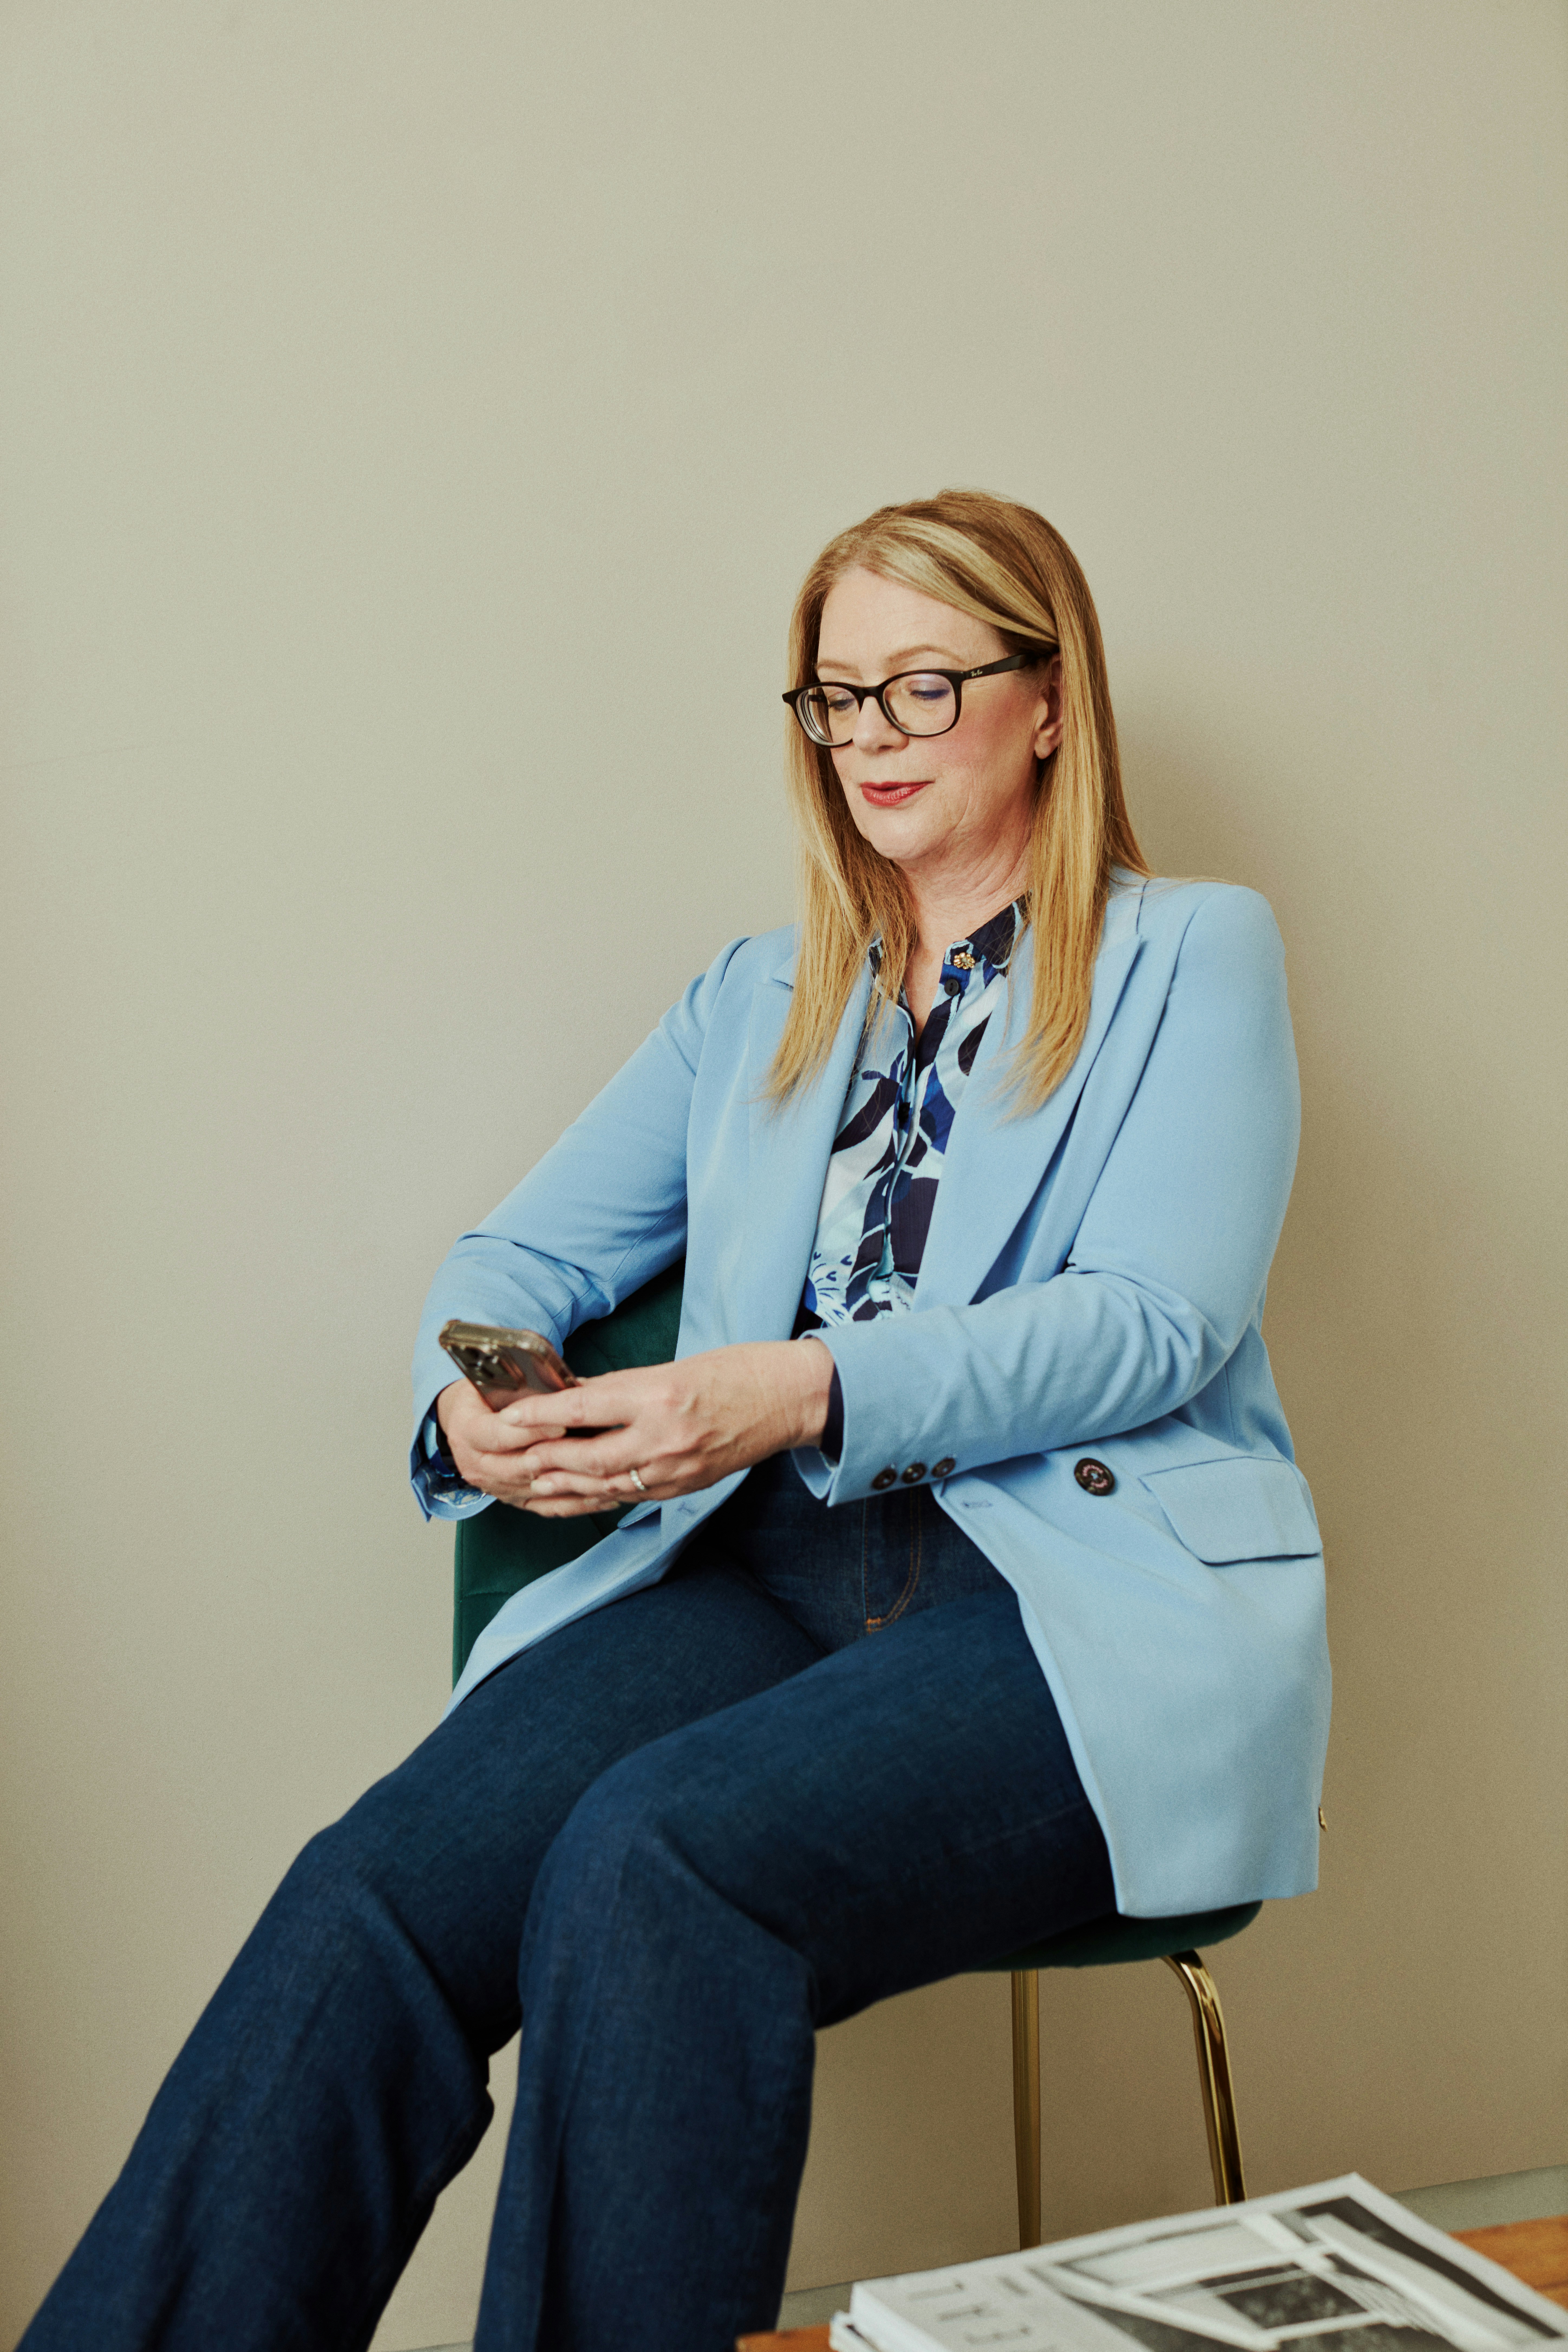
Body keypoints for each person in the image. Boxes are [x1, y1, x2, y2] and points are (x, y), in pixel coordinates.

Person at [22, 491, 1330, 2352]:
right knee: (373, 1892)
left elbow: (1154, 1323)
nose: (870, 736)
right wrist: (466, 1412)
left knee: (657, 1859)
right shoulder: (758, 999)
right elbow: (512, 1256)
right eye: (835, 698)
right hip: (765, 1570)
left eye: (923, 684)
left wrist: (803, 1385)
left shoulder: (1195, 955)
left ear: (1052, 699)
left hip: (1062, 1597)